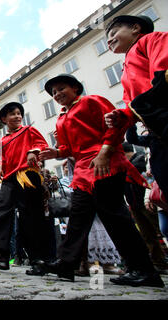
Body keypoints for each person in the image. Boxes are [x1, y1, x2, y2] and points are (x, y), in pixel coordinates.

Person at [39, 73, 163, 288]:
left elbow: (116, 126)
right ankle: (66, 264)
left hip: (105, 164)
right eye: (54, 92)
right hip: (82, 171)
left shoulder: (91, 101)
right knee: (77, 218)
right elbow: (70, 148)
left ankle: (143, 269)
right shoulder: (60, 118)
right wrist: (56, 153)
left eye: (61, 88)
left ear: (76, 88)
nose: (57, 94)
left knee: (115, 216)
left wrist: (105, 152)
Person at [0, 102, 52, 276]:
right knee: (0, 212)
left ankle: (38, 259)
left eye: (19, 113)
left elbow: (42, 144)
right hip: (9, 178)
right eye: (12, 114)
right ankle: (0, 254)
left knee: (30, 217)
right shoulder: (3, 139)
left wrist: (33, 151)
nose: (17, 116)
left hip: (27, 175)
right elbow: (3, 160)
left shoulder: (29, 130)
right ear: (4, 119)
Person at [104, 15, 168, 199]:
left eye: (114, 32)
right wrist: (121, 116)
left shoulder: (152, 39)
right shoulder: (124, 70)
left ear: (135, 28)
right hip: (157, 132)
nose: (109, 40)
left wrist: (143, 105)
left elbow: (162, 73)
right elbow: (130, 106)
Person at [122, 141, 168, 272]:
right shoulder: (125, 165)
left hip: (146, 201)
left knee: (159, 231)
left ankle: (162, 260)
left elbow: (150, 179)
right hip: (134, 203)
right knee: (147, 234)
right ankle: (158, 262)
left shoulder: (141, 160)